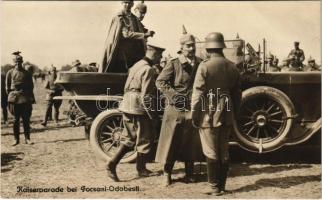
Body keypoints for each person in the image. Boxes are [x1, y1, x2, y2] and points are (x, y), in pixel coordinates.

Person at [191, 32, 241, 195]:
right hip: (226, 113)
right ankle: (222, 186)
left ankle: (214, 188)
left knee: (210, 151)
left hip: (208, 112)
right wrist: (233, 114)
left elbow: (197, 94)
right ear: (221, 47)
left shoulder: (204, 66)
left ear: (208, 49)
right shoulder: (232, 66)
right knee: (223, 150)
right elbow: (237, 95)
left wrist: (195, 114)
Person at [106, 43, 164, 182]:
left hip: (127, 104)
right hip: (139, 107)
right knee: (145, 138)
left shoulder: (137, 65)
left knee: (129, 138)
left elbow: (126, 86)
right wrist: (152, 115)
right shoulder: (149, 70)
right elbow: (147, 96)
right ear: (154, 54)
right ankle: (141, 169)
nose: (160, 58)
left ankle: (112, 164)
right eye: (160, 55)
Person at [155, 26, 204, 186]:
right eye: (188, 46)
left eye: (193, 46)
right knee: (171, 141)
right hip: (175, 109)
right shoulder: (174, 63)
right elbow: (160, 81)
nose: (191, 49)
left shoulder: (200, 63)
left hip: (192, 108)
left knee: (191, 141)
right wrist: (175, 97)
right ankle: (167, 173)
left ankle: (189, 173)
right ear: (181, 47)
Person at [100, 0, 155, 73]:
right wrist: (144, 35)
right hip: (121, 54)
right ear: (122, 3)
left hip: (133, 54)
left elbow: (138, 30)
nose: (127, 5)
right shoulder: (119, 17)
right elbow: (126, 34)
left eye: (129, 3)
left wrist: (145, 33)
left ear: (132, 4)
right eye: (125, 3)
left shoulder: (134, 18)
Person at [6, 51, 34, 146]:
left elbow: (31, 86)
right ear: (13, 62)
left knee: (26, 119)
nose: (17, 63)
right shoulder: (10, 73)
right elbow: (7, 87)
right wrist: (12, 95)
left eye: (19, 61)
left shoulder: (27, 73)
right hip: (14, 98)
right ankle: (16, 139)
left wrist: (29, 97)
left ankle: (27, 138)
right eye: (16, 62)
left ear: (22, 62)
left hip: (25, 97)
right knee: (15, 120)